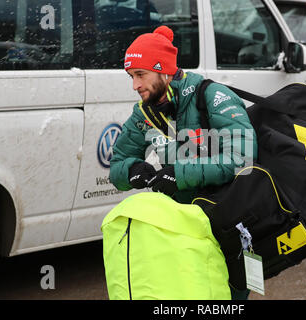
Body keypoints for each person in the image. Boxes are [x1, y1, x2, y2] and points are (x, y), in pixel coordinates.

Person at [109, 25, 257, 300]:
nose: (135, 85)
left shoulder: (211, 97)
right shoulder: (144, 112)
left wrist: (179, 174)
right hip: (183, 227)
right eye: (131, 76)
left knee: (228, 296)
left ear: (164, 70)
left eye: (141, 74)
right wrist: (133, 170)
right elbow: (117, 164)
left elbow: (242, 159)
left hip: (227, 221)